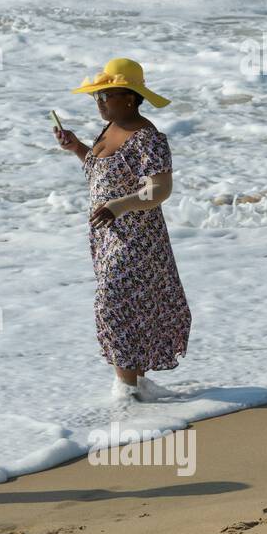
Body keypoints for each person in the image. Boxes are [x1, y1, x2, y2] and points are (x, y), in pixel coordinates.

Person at [53, 58, 192, 404]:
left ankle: (125, 391)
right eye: (96, 98)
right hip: (107, 235)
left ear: (129, 97)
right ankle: (138, 387)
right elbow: (101, 171)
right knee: (133, 304)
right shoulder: (109, 128)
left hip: (138, 237)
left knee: (112, 303)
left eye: (106, 96)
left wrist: (120, 205)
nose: (99, 103)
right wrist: (76, 148)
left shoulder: (148, 138)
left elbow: (159, 190)